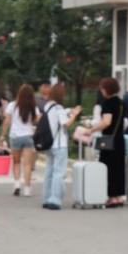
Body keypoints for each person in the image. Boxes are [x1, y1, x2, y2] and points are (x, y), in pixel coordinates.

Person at [41, 83, 83, 211]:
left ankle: (47, 198)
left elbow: (59, 115)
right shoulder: (58, 108)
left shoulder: (48, 106)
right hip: (59, 144)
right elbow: (66, 124)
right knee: (59, 172)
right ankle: (55, 200)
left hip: (49, 144)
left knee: (49, 171)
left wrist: (70, 111)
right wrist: (74, 115)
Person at [88, 77, 128, 207]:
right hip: (120, 139)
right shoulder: (121, 103)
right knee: (119, 167)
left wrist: (91, 130)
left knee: (108, 168)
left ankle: (111, 197)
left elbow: (106, 122)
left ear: (105, 89)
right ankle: (119, 196)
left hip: (108, 140)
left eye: (102, 88)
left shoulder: (107, 103)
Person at [2, 84, 40, 197]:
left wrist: (2, 135)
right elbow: (37, 120)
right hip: (28, 136)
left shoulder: (12, 105)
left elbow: (7, 121)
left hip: (15, 137)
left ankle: (17, 185)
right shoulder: (33, 107)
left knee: (16, 162)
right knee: (27, 165)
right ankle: (27, 189)